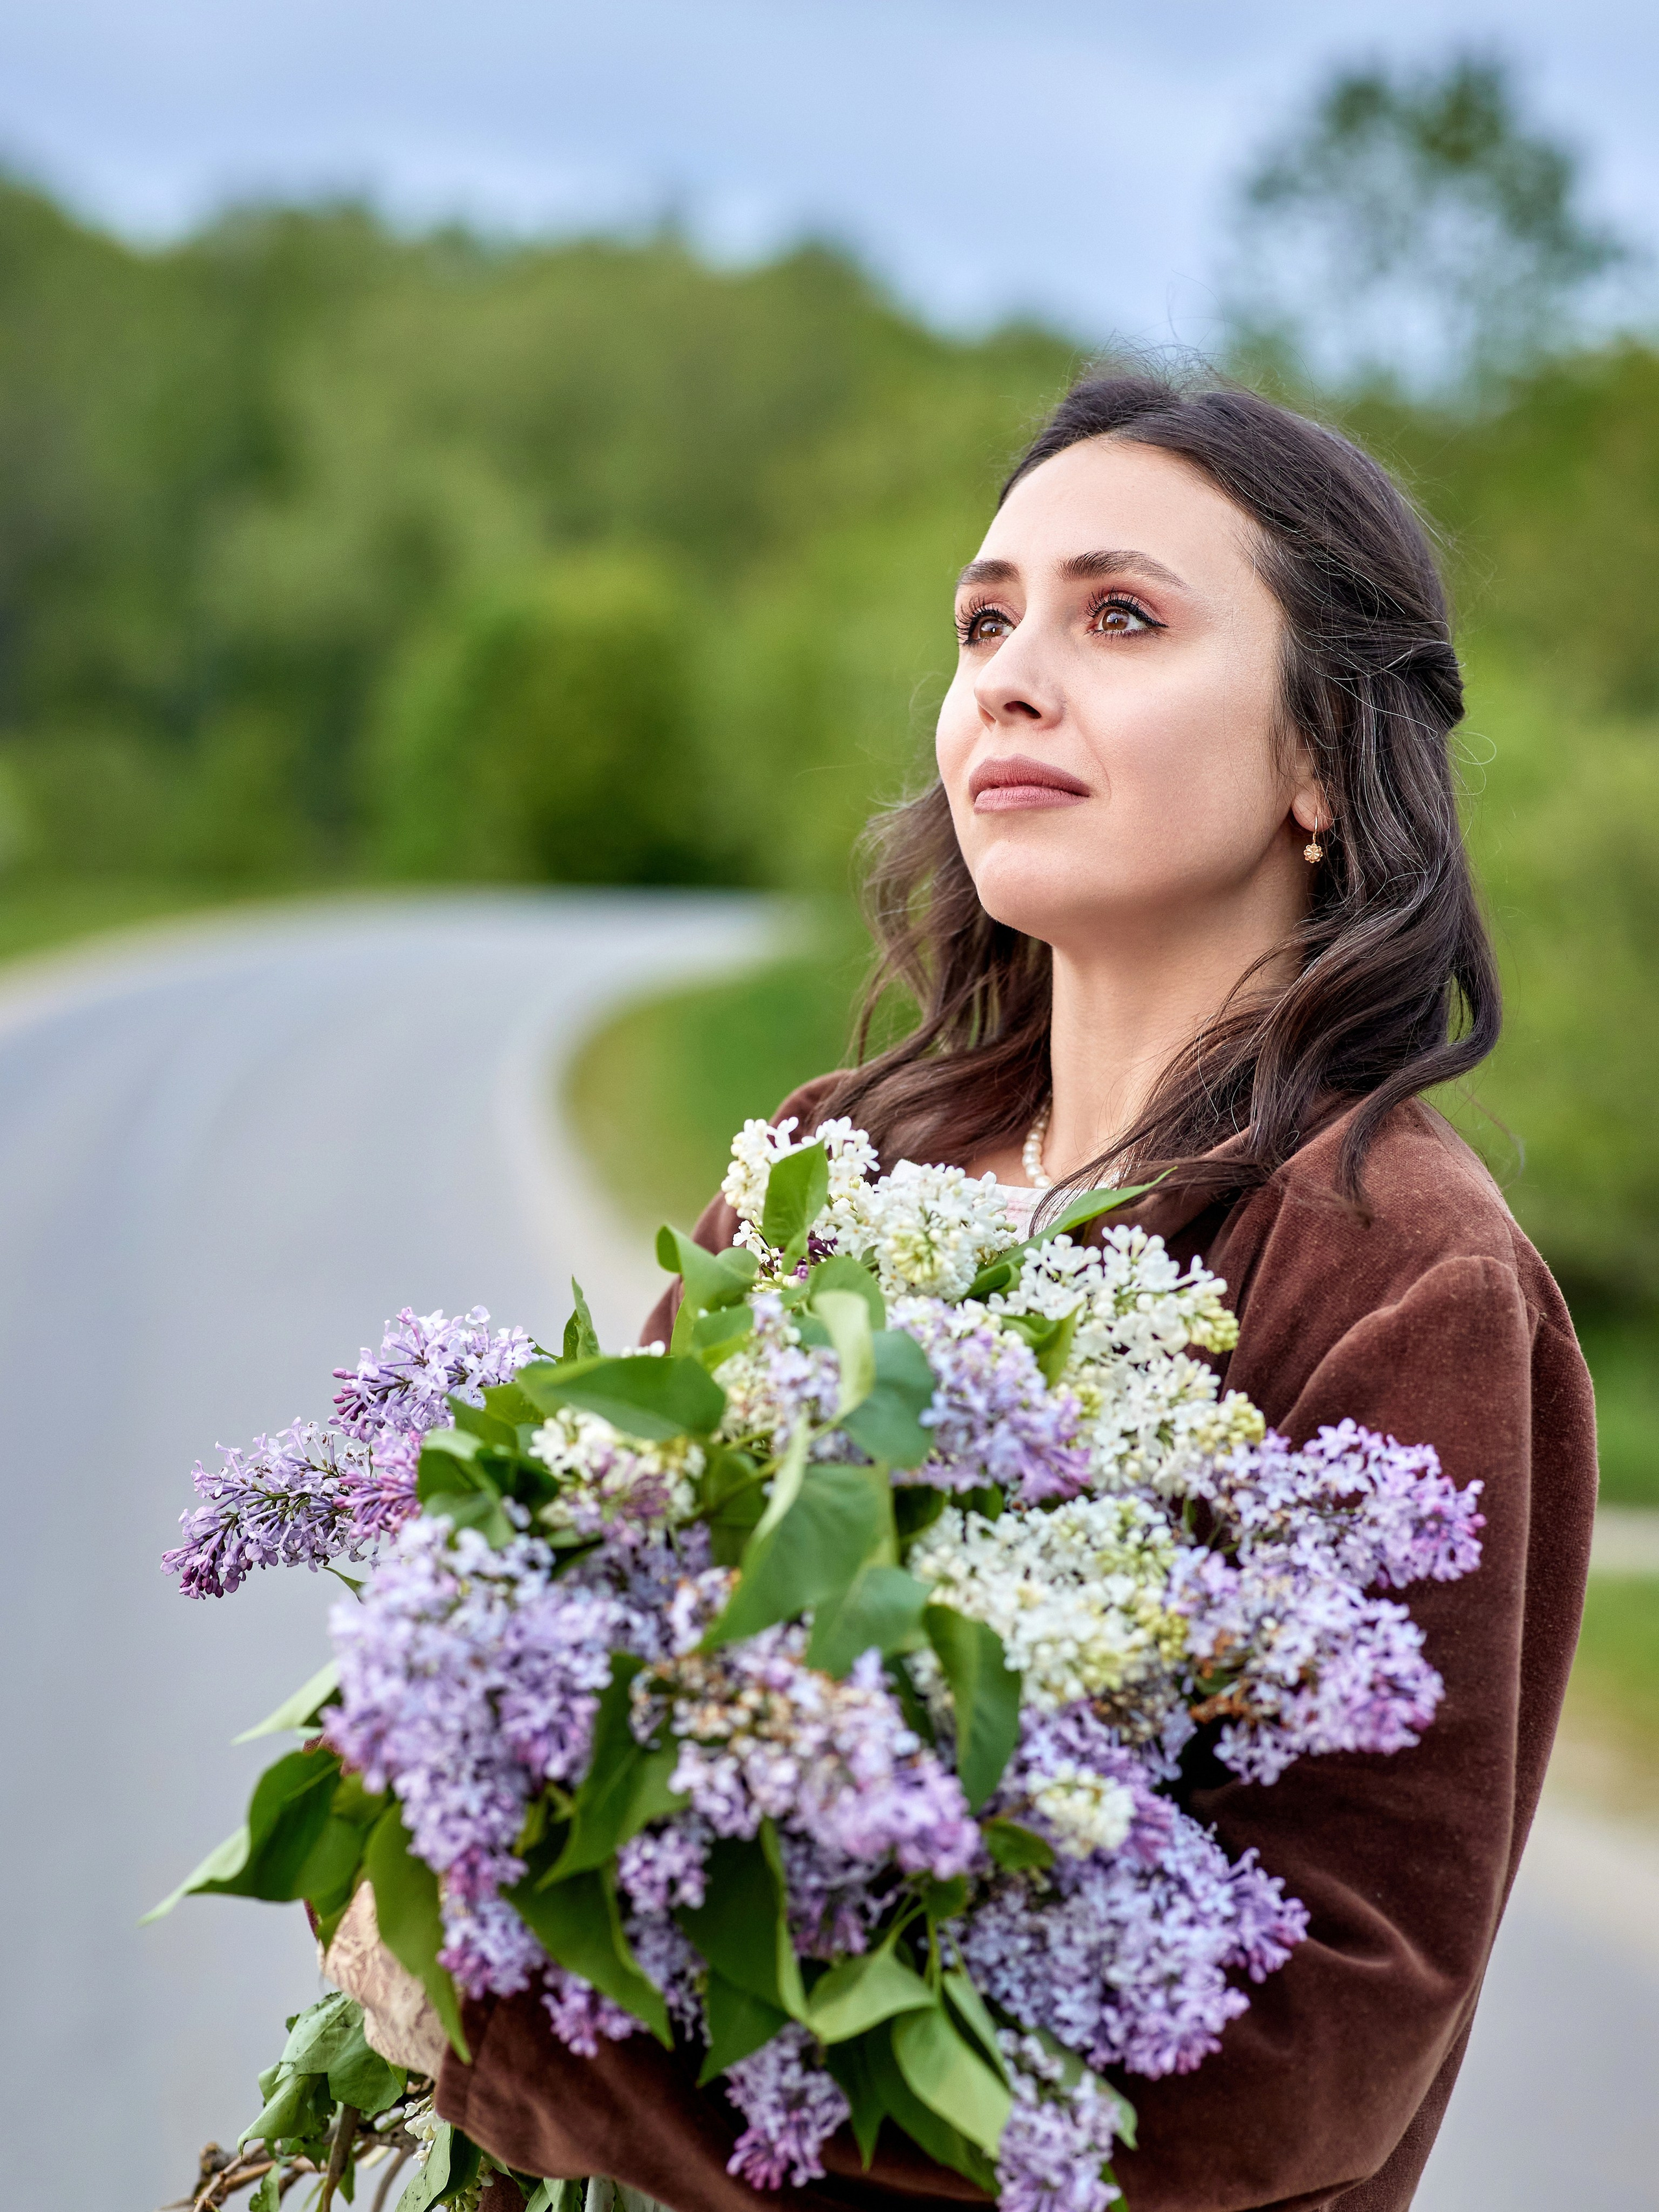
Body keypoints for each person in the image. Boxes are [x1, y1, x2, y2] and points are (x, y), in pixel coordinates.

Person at [434, 369, 1597, 2211]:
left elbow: (1314, 2060)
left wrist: (539, 2068)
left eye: (1120, 616)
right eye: (987, 622)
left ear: (1320, 754)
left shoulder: (1401, 1272)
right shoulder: (833, 1160)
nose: (1010, 677)